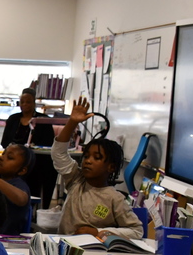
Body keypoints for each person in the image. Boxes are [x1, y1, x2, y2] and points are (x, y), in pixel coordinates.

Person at [52, 99, 143, 239]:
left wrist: (98, 232)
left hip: (94, 252)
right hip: (63, 246)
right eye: (86, 156)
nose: (88, 161)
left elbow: (136, 231)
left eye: (97, 157)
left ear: (111, 167)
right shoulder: (76, 180)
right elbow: (59, 153)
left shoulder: (114, 199)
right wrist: (72, 122)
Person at [1, 87, 57, 209]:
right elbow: (4, 141)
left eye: (28, 102)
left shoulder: (43, 120)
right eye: (22, 102)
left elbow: (48, 143)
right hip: (16, 159)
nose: (25, 104)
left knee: (43, 171)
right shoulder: (13, 119)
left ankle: (36, 208)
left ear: (34, 103)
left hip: (37, 160)